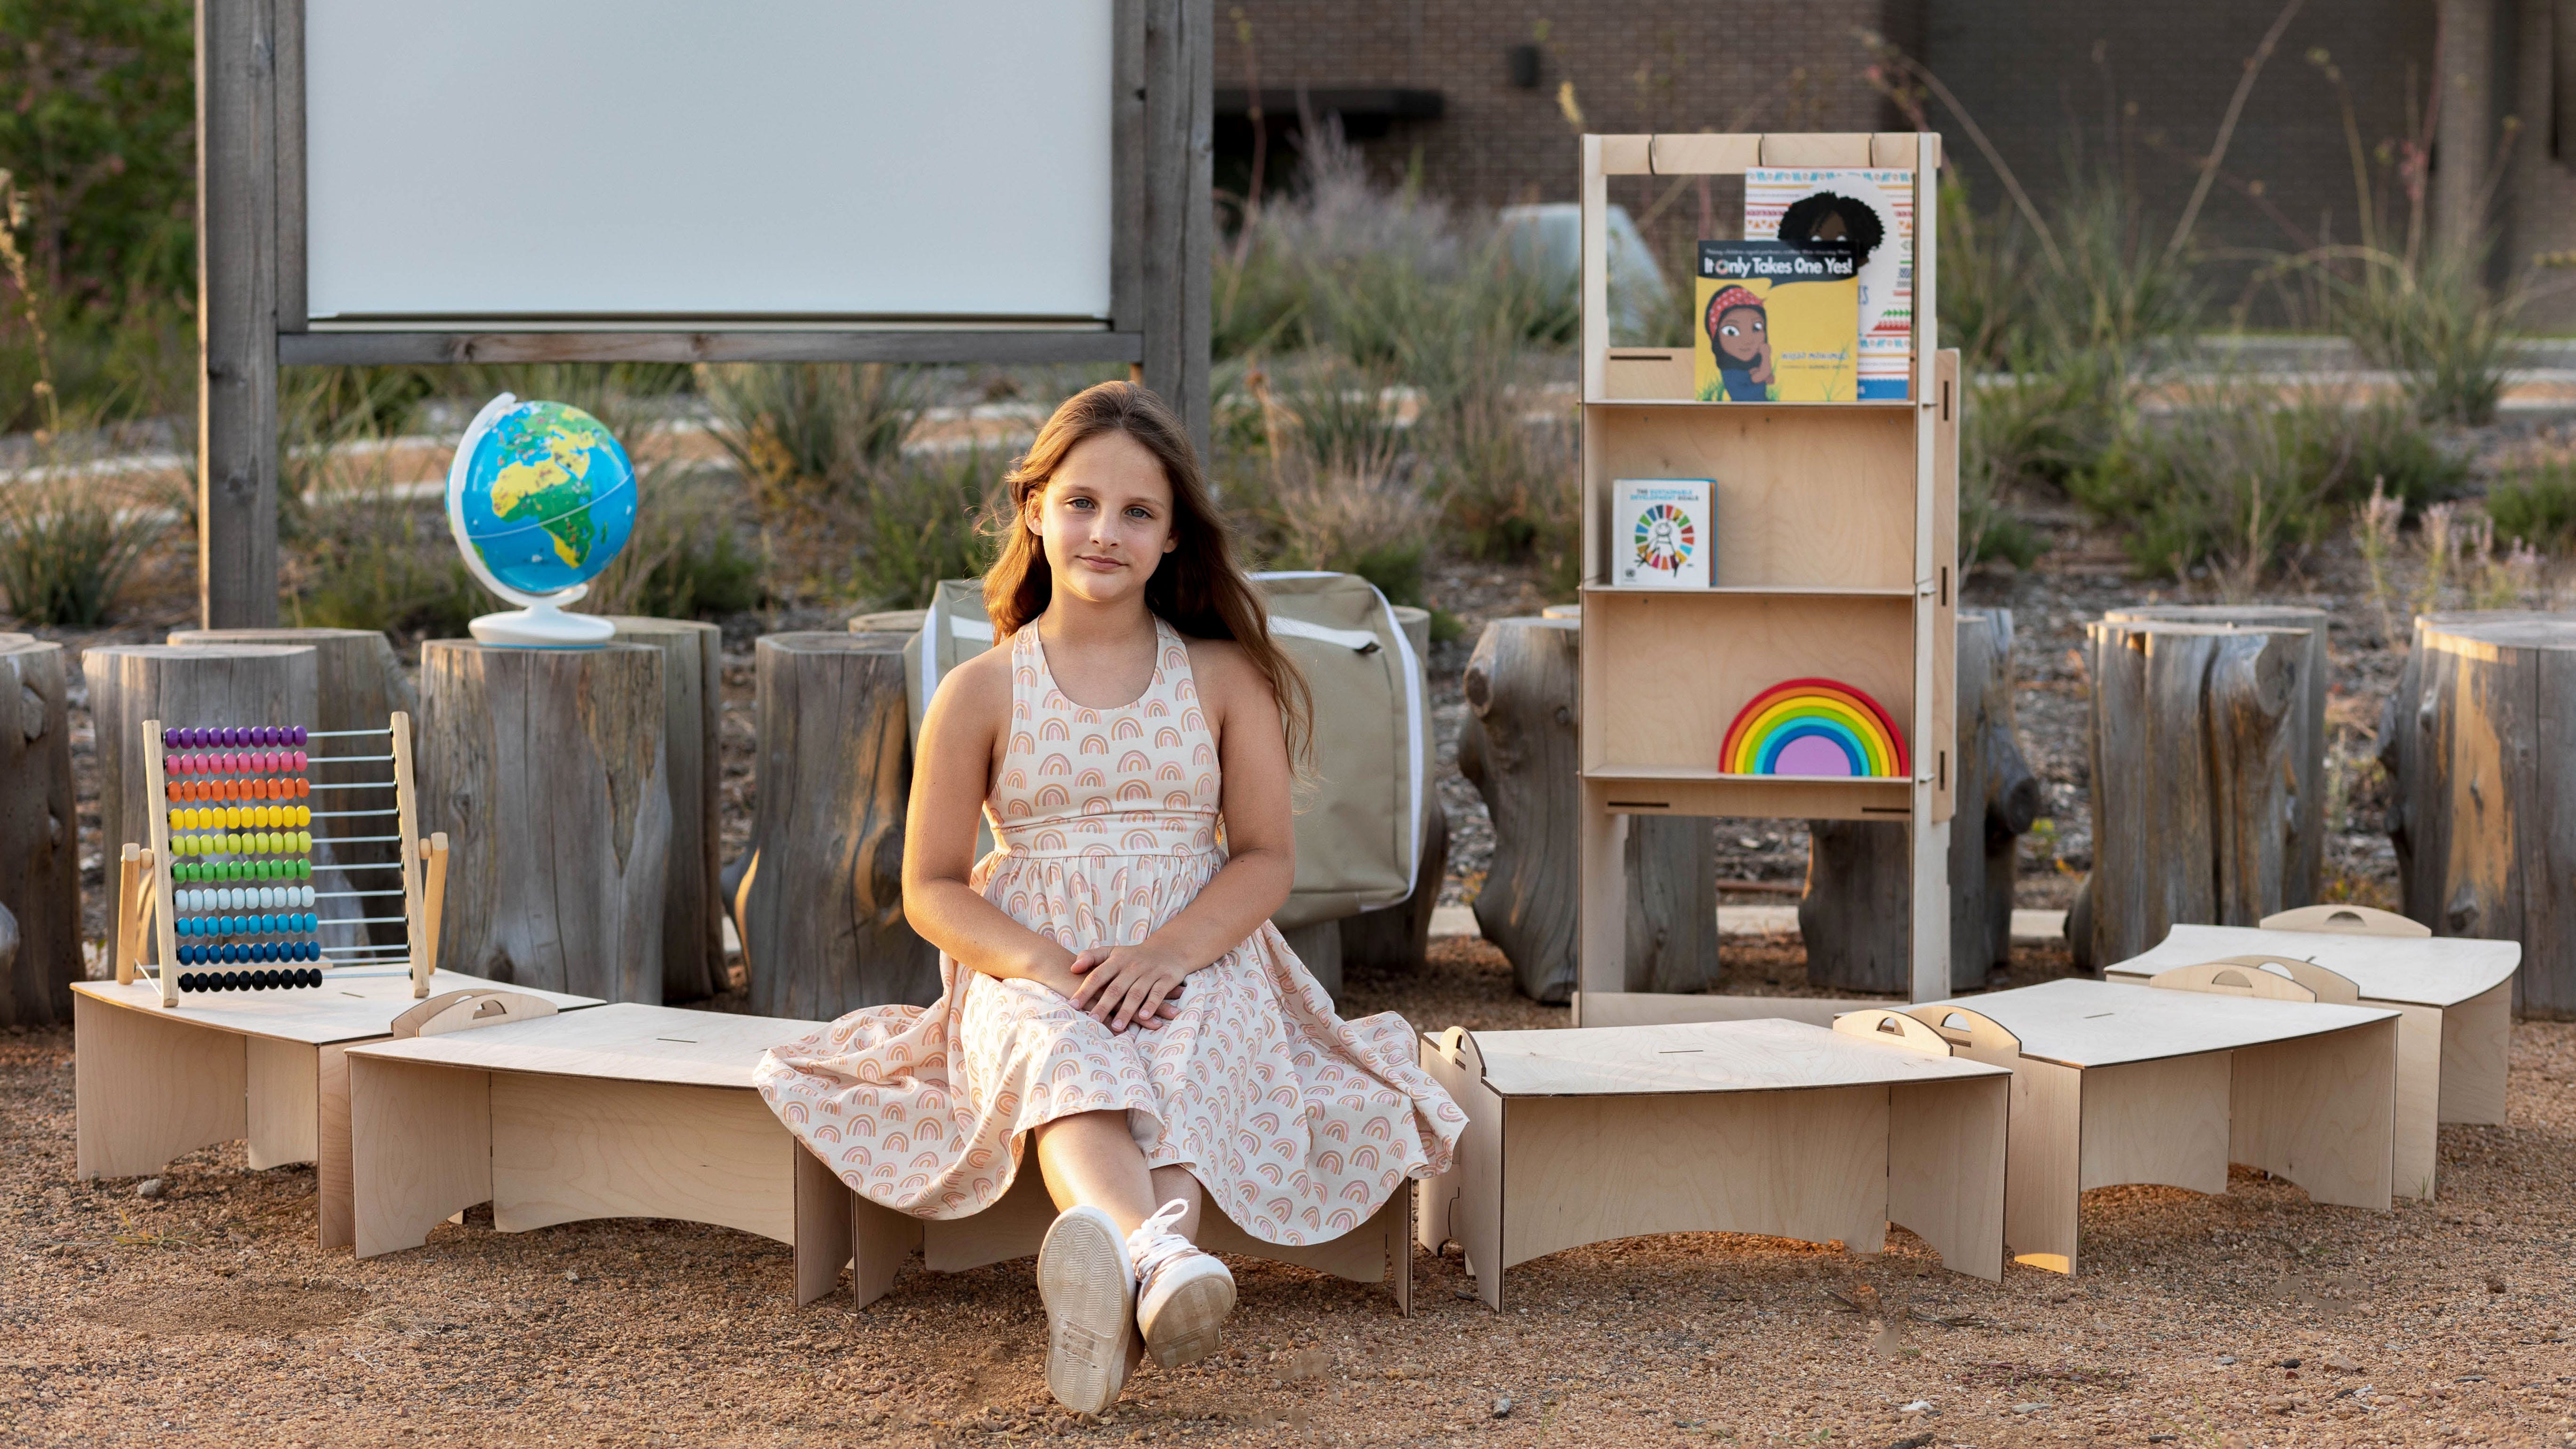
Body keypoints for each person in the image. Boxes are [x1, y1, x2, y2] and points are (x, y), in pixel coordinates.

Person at [754, 381, 1465, 1414]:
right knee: (1061, 1054)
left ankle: (1128, 1278)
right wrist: (1051, 966)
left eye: (1139, 512)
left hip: (1194, 949)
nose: (1106, 531)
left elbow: (1265, 859)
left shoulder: (1223, 679)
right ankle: (1160, 1260)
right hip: (1034, 965)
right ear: (1035, 508)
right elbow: (929, 886)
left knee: (1187, 1052)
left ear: (1175, 539)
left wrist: (1171, 954)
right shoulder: (983, 690)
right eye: (1082, 502)